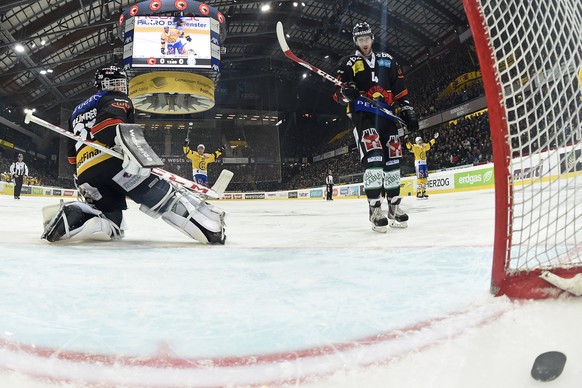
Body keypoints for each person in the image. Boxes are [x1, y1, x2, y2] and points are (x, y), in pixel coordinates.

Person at [41, 65, 226, 244]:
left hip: (86, 173)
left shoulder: (75, 112)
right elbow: (107, 128)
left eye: (121, 82)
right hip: (115, 162)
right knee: (168, 198)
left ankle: (73, 215)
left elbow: (71, 155)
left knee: (112, 225)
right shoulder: (116, 98)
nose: (120, 86)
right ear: (104, 84)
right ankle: (211, 230)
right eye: (115, 82)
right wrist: (135, 153)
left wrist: (82, 175)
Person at [333, 21, 419, 233]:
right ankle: (374, 209)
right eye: (360, 39)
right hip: (364, 116)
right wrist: (347, 93)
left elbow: (400, 91)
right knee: (374, 159)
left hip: (388, 117)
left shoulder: (387, 61)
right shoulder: (348, 63)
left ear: (372, 39)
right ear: (356, 41)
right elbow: (337, 94)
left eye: (367, 38)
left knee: (393, 162)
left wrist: (407, 109)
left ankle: (394, 207)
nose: (364, 43)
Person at [406, 133, 439, 199]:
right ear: (417, 141)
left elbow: (429, 143)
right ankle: (418, 192)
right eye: (419, 140)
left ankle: (424, 192)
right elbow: (410, 147)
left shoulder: (424, 146)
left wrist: (434, 139)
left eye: (421, 140)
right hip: (419, 164)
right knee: (420, 178)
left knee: (425, 178)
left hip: (424, 163)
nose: (421, 141)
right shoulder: (415, 147)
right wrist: (407, 141)